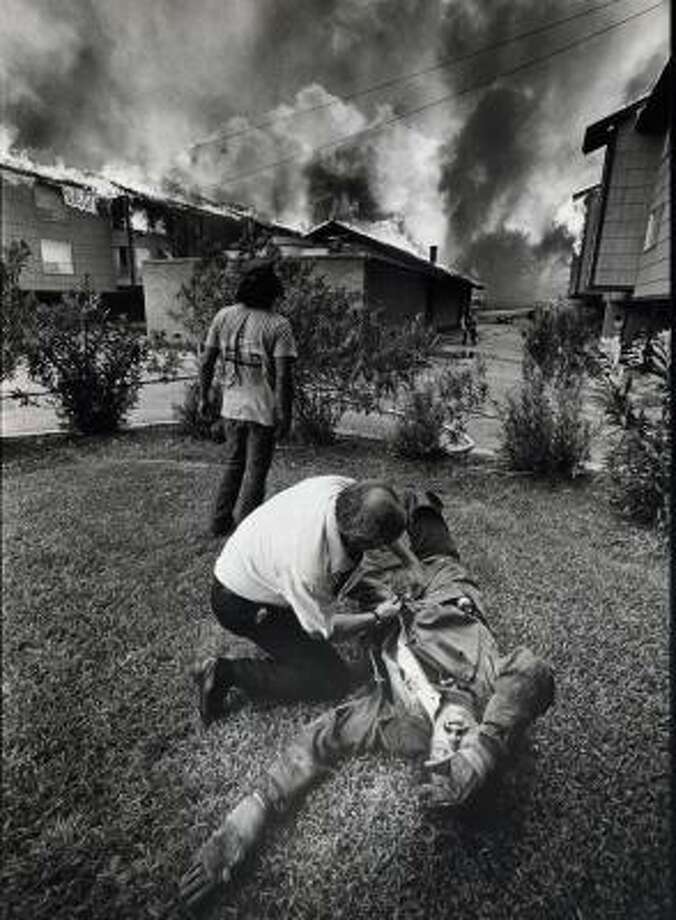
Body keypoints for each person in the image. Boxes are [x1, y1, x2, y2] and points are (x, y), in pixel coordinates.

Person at [181, 490, 555, 914]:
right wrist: (484, 750)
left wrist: (251, 812)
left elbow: (323, 736)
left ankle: (394, 526)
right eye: (460, 751)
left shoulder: (401, 726)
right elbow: (534, 671)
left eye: (440, 759)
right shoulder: (491, 692)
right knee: (432, 537)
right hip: (449, 593)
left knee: (354, 583)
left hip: (388, 615)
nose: (449, 741)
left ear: (427, 754)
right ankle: (418, 500)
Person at [193, 475, 426, 723]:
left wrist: (410, 562)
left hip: (261, 560)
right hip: (240, 602)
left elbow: (378, 521)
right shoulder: (310, 566)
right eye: (381, 543)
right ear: (362, 540)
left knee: (356, 582)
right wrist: (378, 616)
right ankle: (226, 672)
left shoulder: (345, 490)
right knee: (331, 680)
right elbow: (324, 630)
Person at [199, 258, 297, 537]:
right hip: (262, 411)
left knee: (233, 464)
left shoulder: (223, 316)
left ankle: (219, 523)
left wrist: (205, 396)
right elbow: (283, 378)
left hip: (231, 408)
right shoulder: (278, 325)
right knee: (256, 472)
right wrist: (284, 415)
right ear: (273, 292)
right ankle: (246, 533)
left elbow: (206, 361)